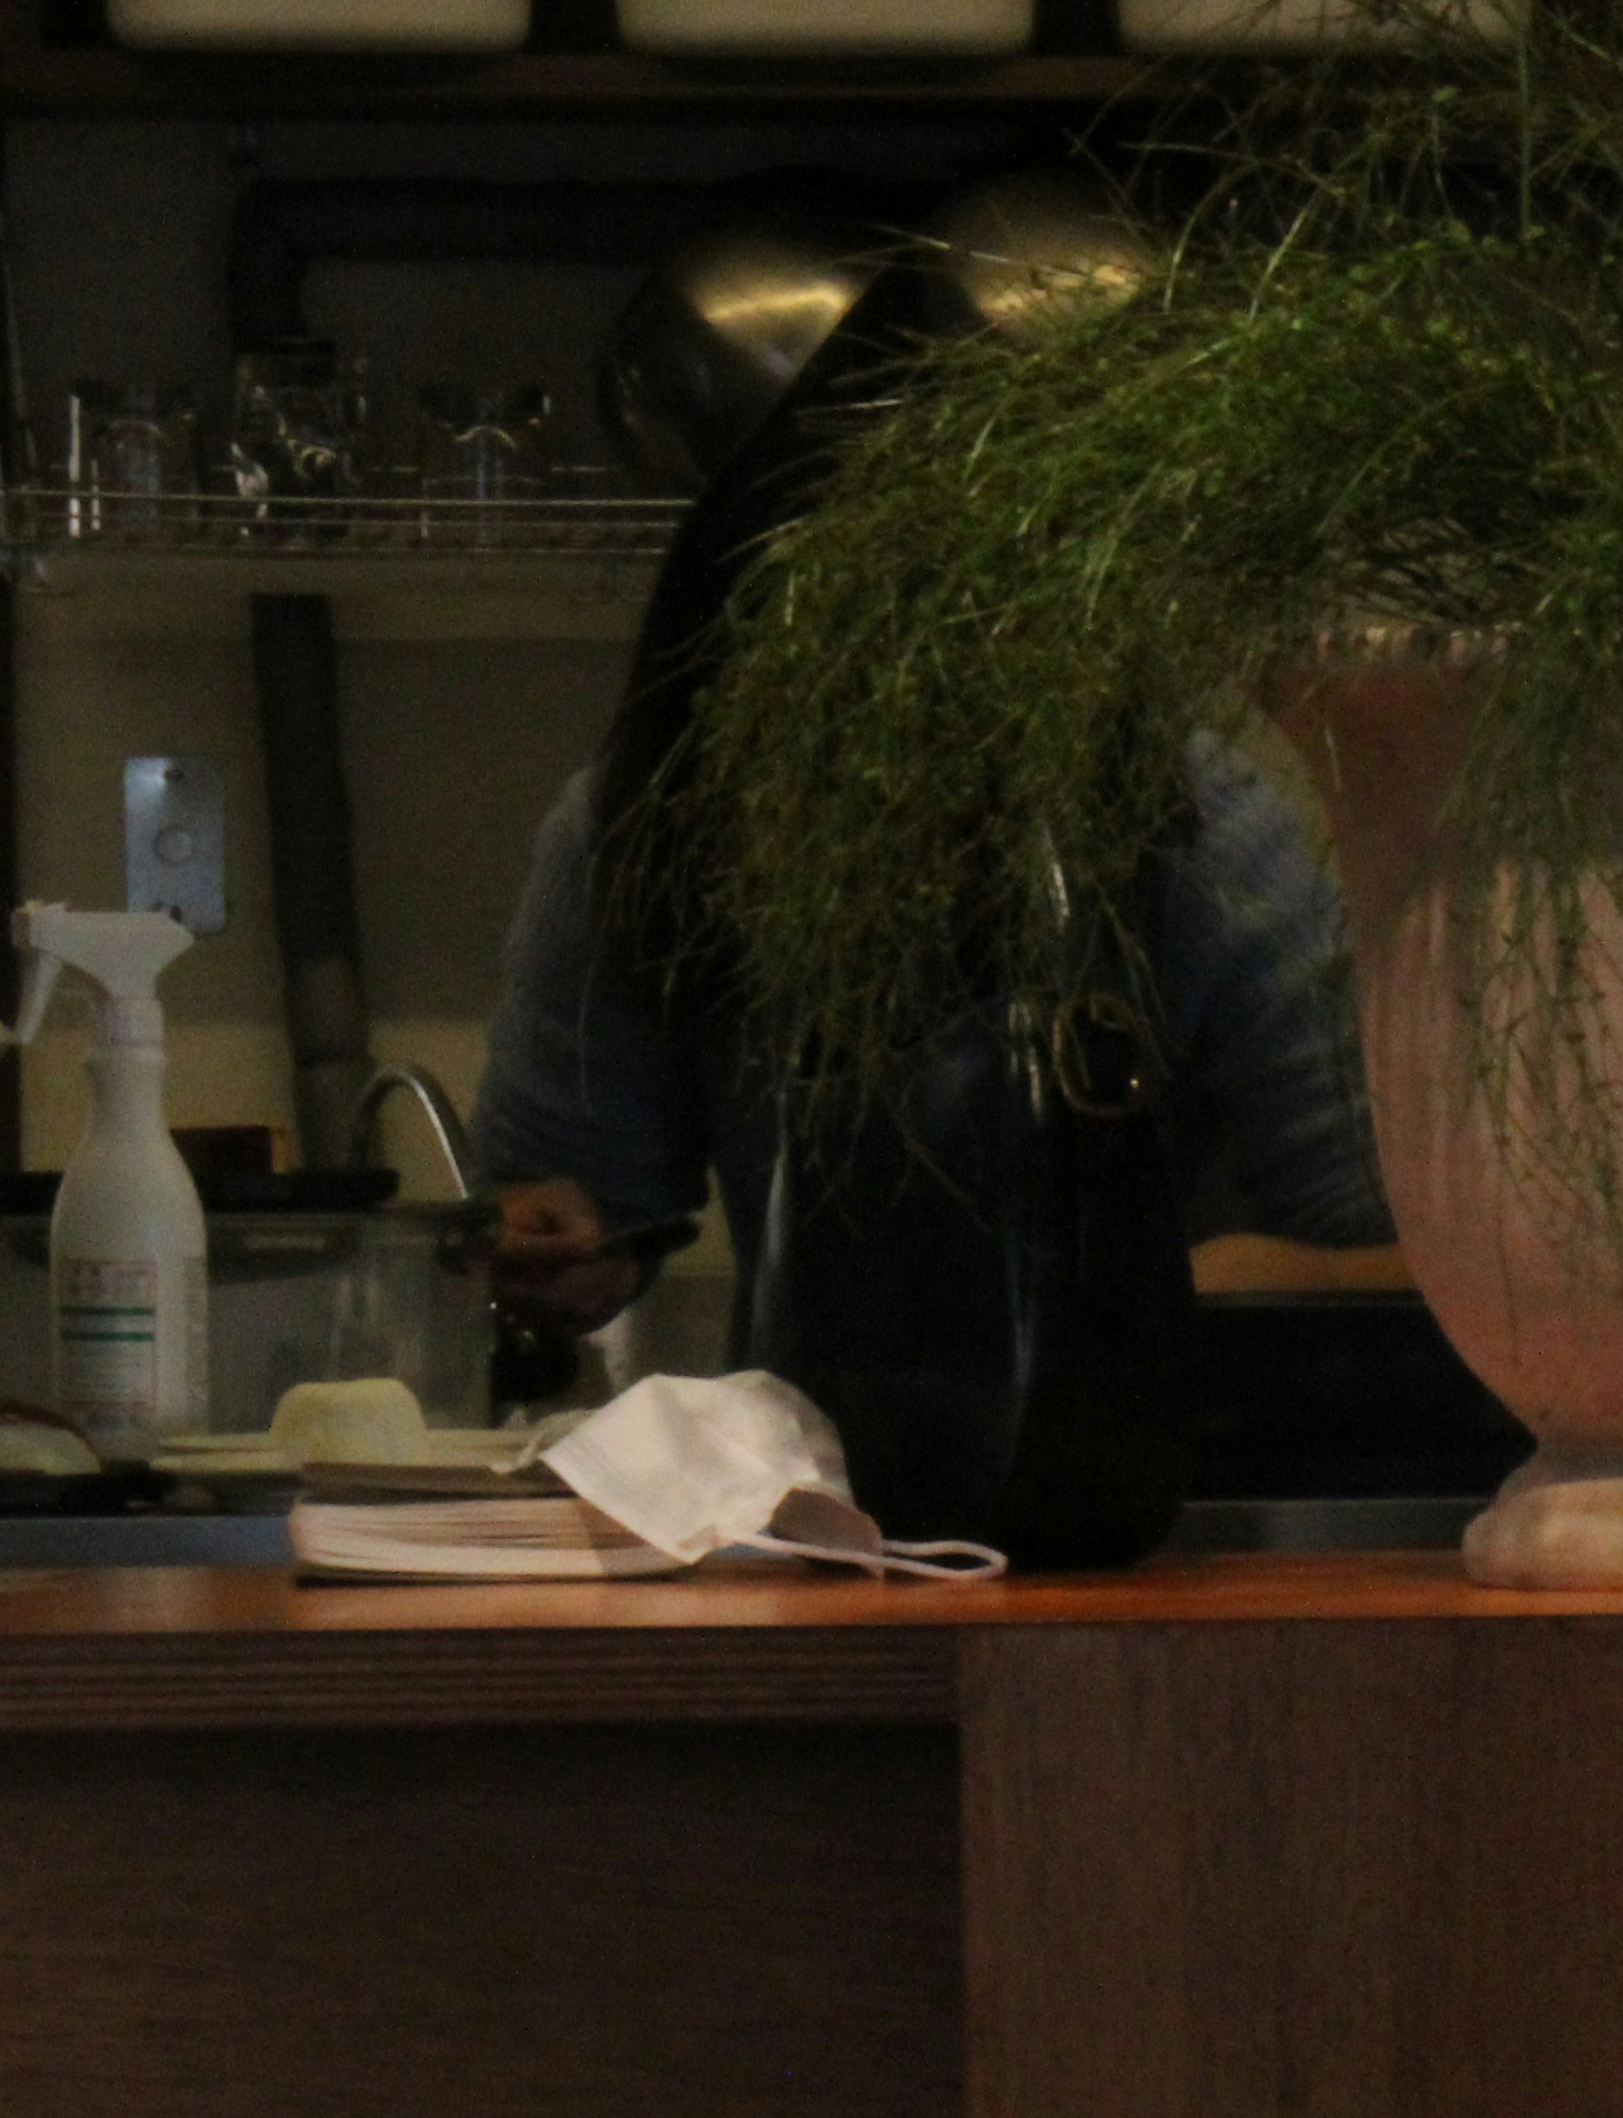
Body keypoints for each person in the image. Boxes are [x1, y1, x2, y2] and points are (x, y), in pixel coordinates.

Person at [463, 172, 1394, 1358]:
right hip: (809, 1477)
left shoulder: (1201, 823)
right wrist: (553, 1248)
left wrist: (1220, 1279)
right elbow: (572, 1202)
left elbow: (1380, 1247)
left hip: (1145, 1478)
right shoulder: (650, 811)